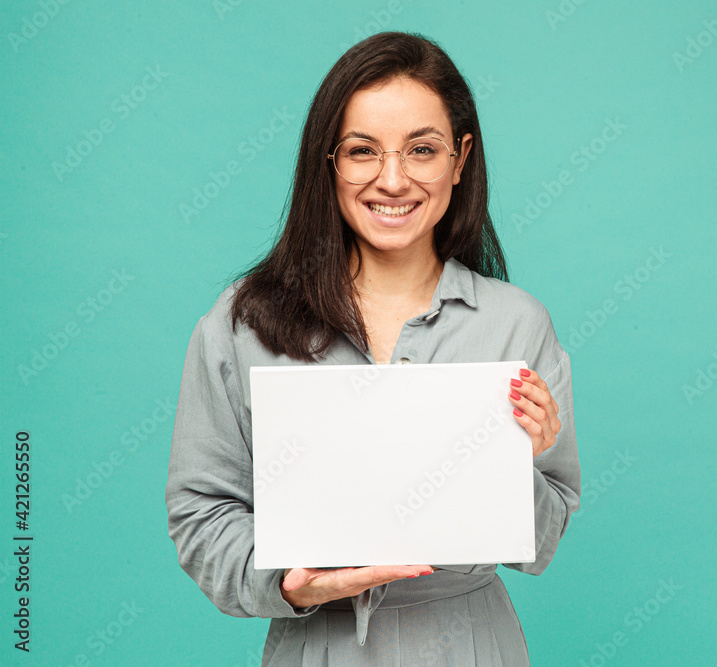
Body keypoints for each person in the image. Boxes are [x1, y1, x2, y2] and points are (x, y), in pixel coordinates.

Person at [165, 31, 580, 666]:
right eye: (363, 151)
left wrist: (524, 458)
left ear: (460, 159)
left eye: (422, 149)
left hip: (471, 644)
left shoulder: (516, 323)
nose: (393, 180)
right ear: (327, 161)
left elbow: (542, 543)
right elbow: (201, 511)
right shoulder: (242, 322)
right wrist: (284, 584)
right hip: (317, 646)